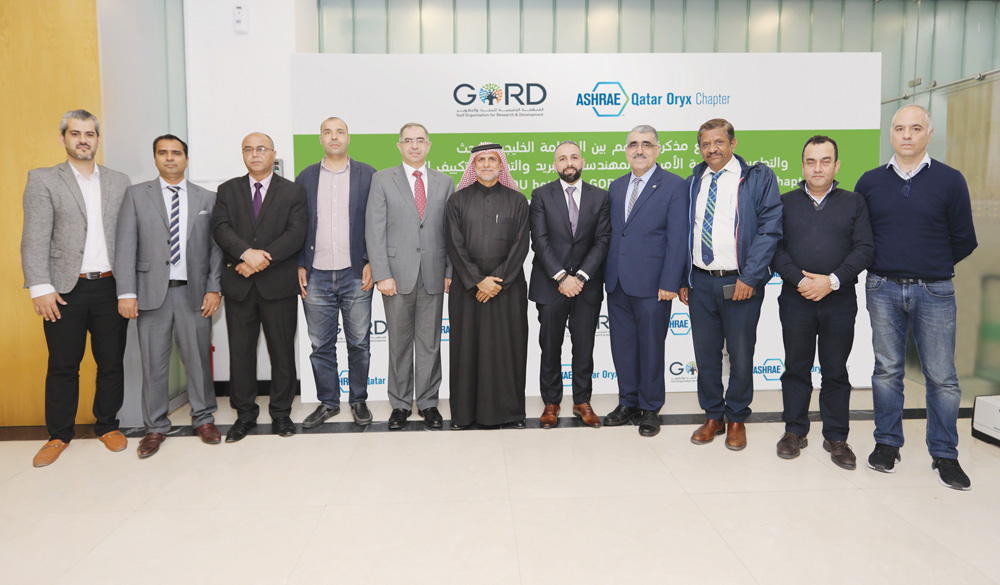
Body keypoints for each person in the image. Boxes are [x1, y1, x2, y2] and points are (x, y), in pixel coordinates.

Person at [855, 104, 978, 490]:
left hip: (935, 289)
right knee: (887, 370)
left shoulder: (951, 180)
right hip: (882, 287)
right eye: (899, 128)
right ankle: (887, 444)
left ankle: (945, 454)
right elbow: (862, 237)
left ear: (929, 132)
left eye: (915, 128)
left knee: (942, 377)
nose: (906, 135)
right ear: (890, 134)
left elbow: (963, 238)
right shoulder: (870, 182)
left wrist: (929, 263)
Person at [21, 109, 132, 468]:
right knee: (63, 365)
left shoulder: (119, 181)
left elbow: (128, 239)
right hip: (64, 291)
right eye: (75, 133)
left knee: (111, 362)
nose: (83, 139)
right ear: (63, 138)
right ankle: (58, 435)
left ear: (98, 139)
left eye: (90, 134)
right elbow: (34, 238)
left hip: (111, 286)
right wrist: (40, 287)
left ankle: (107, 426)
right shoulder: (43, 180)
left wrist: (129, 287)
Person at [114, 134, 225, 457]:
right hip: (150, 295)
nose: (170, 158)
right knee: (155, 365)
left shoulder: (207, 198)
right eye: (163, 153)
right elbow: (124, 247)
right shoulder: (136, 195)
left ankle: (203, 418)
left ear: (186, 159)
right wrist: (126, 292)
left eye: (176, 153)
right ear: (155, 158)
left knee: (198, 361)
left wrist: (214, 288)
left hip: (194, 295)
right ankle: (155, 427)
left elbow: (216, 250)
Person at [679, 118, 782, 451]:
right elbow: (685, 233)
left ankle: (737, 417)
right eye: (706, 144)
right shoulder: (694, 181)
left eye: (719, 142)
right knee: (706, 355)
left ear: (733, 143)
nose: (712, 149)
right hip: (700, 282)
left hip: (741, 283)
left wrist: (750, 277)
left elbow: (769, 229)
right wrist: (684, 278)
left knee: (739, 355)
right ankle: (713, 416)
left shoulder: (755, 179)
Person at [771, 135, 873, 470]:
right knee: (796, 368)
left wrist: (830, 281)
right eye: (811, 161)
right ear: (802, 166)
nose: (818, 168)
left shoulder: (854, 202)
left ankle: (837, 437)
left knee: (835, 371)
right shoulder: (784, 202)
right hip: (796, 298)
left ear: (836, 165)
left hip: (839, 300)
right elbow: (775, 249)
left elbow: (864, 249)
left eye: (825, 161)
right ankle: (794, 431)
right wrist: (801, 281)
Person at [211, 132, 307, 442]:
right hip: (240, 285)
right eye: (249, 149)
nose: (255, 154)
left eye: (261, 149)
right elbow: (220, 229)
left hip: (277, 285)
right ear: (243, 154)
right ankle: (245, 415)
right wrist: (245, 254)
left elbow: (295, 234)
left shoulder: (293, 191)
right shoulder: (228, 190)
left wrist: (259, 260)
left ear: (273, 153)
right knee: (241, 353)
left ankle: (281, 414)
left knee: (282, 353)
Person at [366, 123, 455, 430]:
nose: (414, 146)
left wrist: (448, 272)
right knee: (399, 343)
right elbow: (374, 230)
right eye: (408, 141)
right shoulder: (382, 179)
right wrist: (382, 274)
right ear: (399, 146)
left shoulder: (445, 181)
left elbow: (450, 232)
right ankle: (401, 404)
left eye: (420, 140)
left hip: (433, 274)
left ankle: (429, 402)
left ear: (429, 145)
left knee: (430, 343)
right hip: (396, 276)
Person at [602, 126, 689, 437]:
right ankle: (628, 402)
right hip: (617, 283)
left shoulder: (675, 186)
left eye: (646, 144)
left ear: (657, 149)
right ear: (626, 150)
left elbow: (678, 239)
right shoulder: (615, 186)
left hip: (655, 286)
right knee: (622, 347)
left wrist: (670, 282)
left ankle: (650, 407)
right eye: (633, 145)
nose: (639, 150)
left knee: (651, 348)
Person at [296, 117, 377, 428]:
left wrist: (372, 260)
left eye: (339, 132)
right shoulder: (305, 177)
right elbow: (297, 226)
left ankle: (358, 400)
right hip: (315, 274)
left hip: (355, 272)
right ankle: (329, 402)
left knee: (359, 343)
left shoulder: (367, 174)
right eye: (327, 132)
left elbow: (376, 222)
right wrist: (300, 264)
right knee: (320, 346)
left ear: (348, 138)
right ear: (320, 139)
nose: (334, 137)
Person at [445, 143, 529, 429]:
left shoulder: (518, 201)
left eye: (492, 159)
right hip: (467, 290)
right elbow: (454, 245)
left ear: (501, 165)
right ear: (473, 166)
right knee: (466, 351)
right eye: (480, 160)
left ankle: (511, 413)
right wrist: (477, 280)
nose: (486, 164)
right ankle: (464, 415)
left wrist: (496, 282)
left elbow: (521, 247)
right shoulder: (456, 201)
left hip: (508, 289)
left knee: (509, 351)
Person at [528, 141, 610, 428]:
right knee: (550, 346)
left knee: (584, 346)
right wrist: (562, 277)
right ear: (555, 165)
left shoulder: (600, 197)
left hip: (586, 285)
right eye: (562, 158)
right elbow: (539, 240)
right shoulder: (540, 195)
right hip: (551, 285)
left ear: (583, 161)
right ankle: (551, 402)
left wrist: (581, 276)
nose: (569, 162)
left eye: (574, 157)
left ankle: (582, 401)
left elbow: (602, 241)